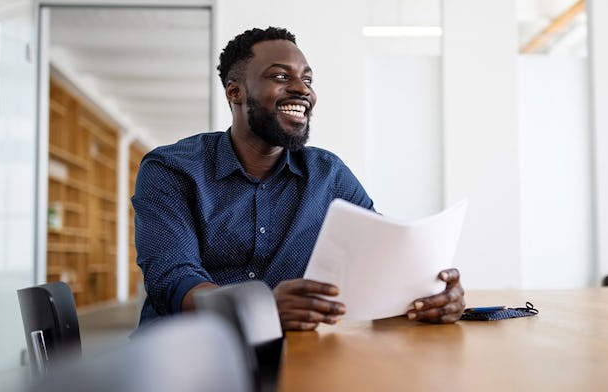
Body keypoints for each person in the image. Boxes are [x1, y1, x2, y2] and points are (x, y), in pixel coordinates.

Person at [132, 27, 465, 331]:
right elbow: (173, 279)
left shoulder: (328, 174)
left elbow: (380, 258)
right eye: (280, 76)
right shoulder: (172, 169)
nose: (301, 90)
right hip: (188, 354)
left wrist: (431, 297)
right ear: (235, 92)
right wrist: (259, 309)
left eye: (307, 80)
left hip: (295, 352)